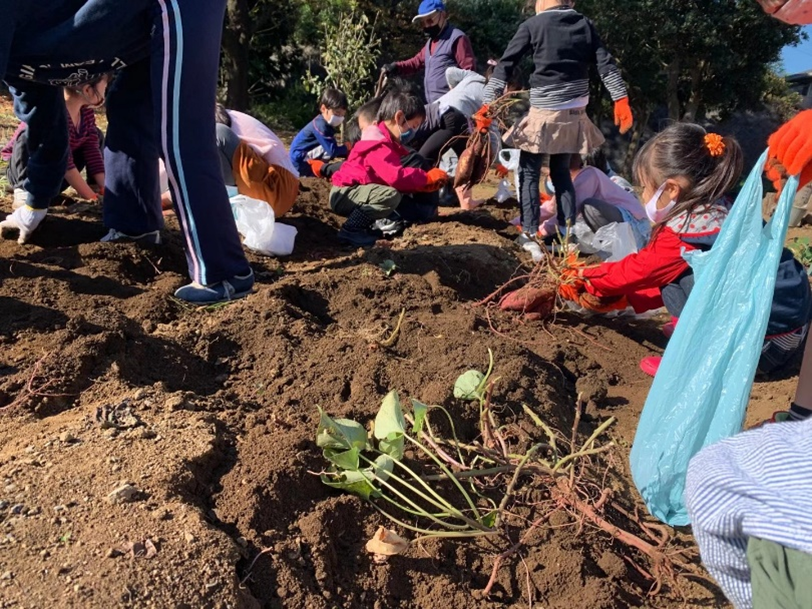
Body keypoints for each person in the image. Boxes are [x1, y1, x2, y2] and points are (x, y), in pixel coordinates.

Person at [681, 4, 812, 609]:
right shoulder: (720, 217)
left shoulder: (695, 226)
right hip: (796, 341)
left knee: (678, 290)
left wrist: (585, 290)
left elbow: (640, 271)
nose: (789, 21)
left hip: (774, 345)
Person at [0, 1, 253, 305]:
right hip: (131, 26)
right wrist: (34, 205)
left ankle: (223, 272)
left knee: (180, 128)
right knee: (129, 108)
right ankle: (135, 228)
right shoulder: (19, 66)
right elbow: (46, 131)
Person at [558, 123, 812, 377]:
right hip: (790, 332)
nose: (644, 196)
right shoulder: (722, 209)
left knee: (677, 278)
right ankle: (694, 336)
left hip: (759, 349)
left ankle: (691, 359)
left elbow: (641, 270)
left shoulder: (686, 231)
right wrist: (629, 298)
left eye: (646, 188)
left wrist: (582, 279)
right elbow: (659, 274)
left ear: (671, 189)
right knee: (681, 274)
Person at [480, 0, 633, 261]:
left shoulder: (533, 24)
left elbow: (505, 64)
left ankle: (529, 236)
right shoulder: (585, 24)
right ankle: (566, 234)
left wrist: (487, 102)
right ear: (571, 2)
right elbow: (605, 63)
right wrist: (620, 98)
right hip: (574, 112)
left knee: (529, 173)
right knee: (561, 173)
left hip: (545, 112)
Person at [329, 88, 448, 247]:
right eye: (413, 126)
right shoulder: (377, 144)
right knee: (390, 196)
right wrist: (426, 178)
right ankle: (351, 230)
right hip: (344, 194)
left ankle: (363, 228)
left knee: (391, 195)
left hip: (351, 192)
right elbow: (396, 177)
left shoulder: (384, 142)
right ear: (399, 117)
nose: (413, 131)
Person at [3, 74, 108, 207]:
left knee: (96, 135)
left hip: (56, 172)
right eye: (104, 88)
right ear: (87, 90)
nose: (105, 94)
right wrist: (92, 199)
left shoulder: (85, 113)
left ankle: (94, 187)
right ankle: (23, 191)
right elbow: (65, 162)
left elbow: (91, 149)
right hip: (30, 171)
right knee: (27, 133)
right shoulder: (54, 115)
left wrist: (106, 188)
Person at [537, 153, 648, 247]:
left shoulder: (592, 178)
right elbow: (553, 207)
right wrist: (527, 220)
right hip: (606, 226)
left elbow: (570, 211)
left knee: (589, 207)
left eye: (551, 174)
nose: (550, 179)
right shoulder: (572, 182)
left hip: (632, 229)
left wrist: (543, 230)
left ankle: (613, 248)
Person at [213, 104, 300, 218]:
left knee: (216, 133)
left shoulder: (213, 117)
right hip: (282, 189)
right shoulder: (224, 114)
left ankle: (230, 211)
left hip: (279, 187)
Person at [382, 0, 476, 104]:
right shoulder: (431, 43)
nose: (426, 26)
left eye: (430, 20)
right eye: (422, 23)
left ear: (443, 15)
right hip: (434, 106)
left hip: (453, 106)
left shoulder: (457, 38)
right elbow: (416, 62)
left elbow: (470, 74)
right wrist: (396, 67)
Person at [289, 88, 350, 177]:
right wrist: (346, 148)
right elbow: (332, 151)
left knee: (330, 146)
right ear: (323, 108)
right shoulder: (321, 125)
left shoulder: (325, 124)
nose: (339, 117)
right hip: (300, 161)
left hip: (302, 156)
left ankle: (317, 170)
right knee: (328, 149)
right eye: (337, 113)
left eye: (342, 115)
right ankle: (314, 171)